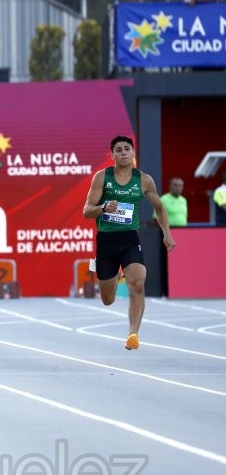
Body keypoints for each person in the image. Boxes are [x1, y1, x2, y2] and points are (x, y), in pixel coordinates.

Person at [83, 135, 176, 350]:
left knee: (138, 283)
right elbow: (87, 211)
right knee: (108, 299)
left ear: (133, 153)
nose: (124, 153)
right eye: (119, 150)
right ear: (113, 154)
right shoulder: (102, 177)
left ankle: (133, 334)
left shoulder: (143, 180)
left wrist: (167, 234)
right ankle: (116, 277)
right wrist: (103, 208)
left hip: (130, 239)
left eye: (127, 149)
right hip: (107, 241)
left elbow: (160, 208)